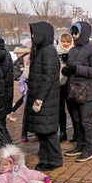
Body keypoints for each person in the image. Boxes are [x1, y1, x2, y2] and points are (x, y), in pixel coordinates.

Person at [26, 22, 63, 171]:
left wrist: (40, 98)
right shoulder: (41, 50)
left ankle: (54, 159)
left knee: (48, 131)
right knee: (41, 130)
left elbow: (48, 77)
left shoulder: (49, 51)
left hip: (46, 99)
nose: (33, 36)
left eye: (35, 33)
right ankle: (45, 157)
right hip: (39, 97)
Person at [63, 22, 92, 162]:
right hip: (73, 90)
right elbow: (71, 67)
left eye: (76, 32)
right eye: (72, 32)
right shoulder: (73, 50)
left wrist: (76, 69)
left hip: (86, 91)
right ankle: (79, 145)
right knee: (77, 120)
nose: (74, 36)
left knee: (86, 121)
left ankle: (88, 149)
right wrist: (67, 70)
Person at [56, 33, 73, 142]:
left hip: (71, 84)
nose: (66, 44)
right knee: (60, 109)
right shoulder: (56, 53)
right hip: (59, 84)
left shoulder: (73, 52)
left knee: (72, 108)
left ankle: (76, 132)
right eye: (64, 41)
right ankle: (63, 132)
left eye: (68, 42)